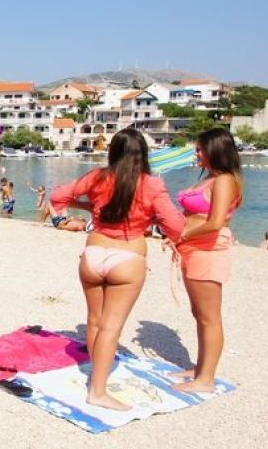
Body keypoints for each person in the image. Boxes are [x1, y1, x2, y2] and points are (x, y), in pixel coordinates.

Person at [50, 129, 185, 412]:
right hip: (128, 255)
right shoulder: (151, 184)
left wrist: (86, 209)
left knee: (95, 321)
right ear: (144, 155)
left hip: (93, 253)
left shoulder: (97, 177)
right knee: (111, 326)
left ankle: (93, 373)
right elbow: (174, 224)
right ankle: (97, 391)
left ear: (113, 152)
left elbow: (59, 196)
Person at [173, 128, 243, 394]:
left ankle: (206, 379)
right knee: (200, 314)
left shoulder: (224, 180)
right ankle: (201, 367)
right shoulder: (211, 179)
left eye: (201, 149)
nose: (196, 153)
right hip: (193, 249)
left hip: (208, 250)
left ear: (215, 150)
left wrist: (184, 234)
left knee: (210, 317)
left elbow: (215, 222)